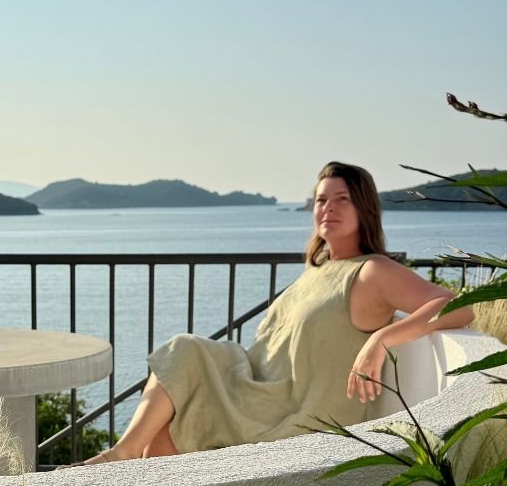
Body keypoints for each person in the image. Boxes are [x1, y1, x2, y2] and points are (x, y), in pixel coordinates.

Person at [83, 161, 474, 465]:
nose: (329, 208)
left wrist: (381, 338)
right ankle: (129, 462)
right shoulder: (318, 270)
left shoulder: (371, 271)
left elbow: (459, 306)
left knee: (179, 384)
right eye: (322, 199)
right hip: (256, 388)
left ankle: (123, 456)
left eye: (343, 199)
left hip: (292, 412)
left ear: (364, 208)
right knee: (168, 421)